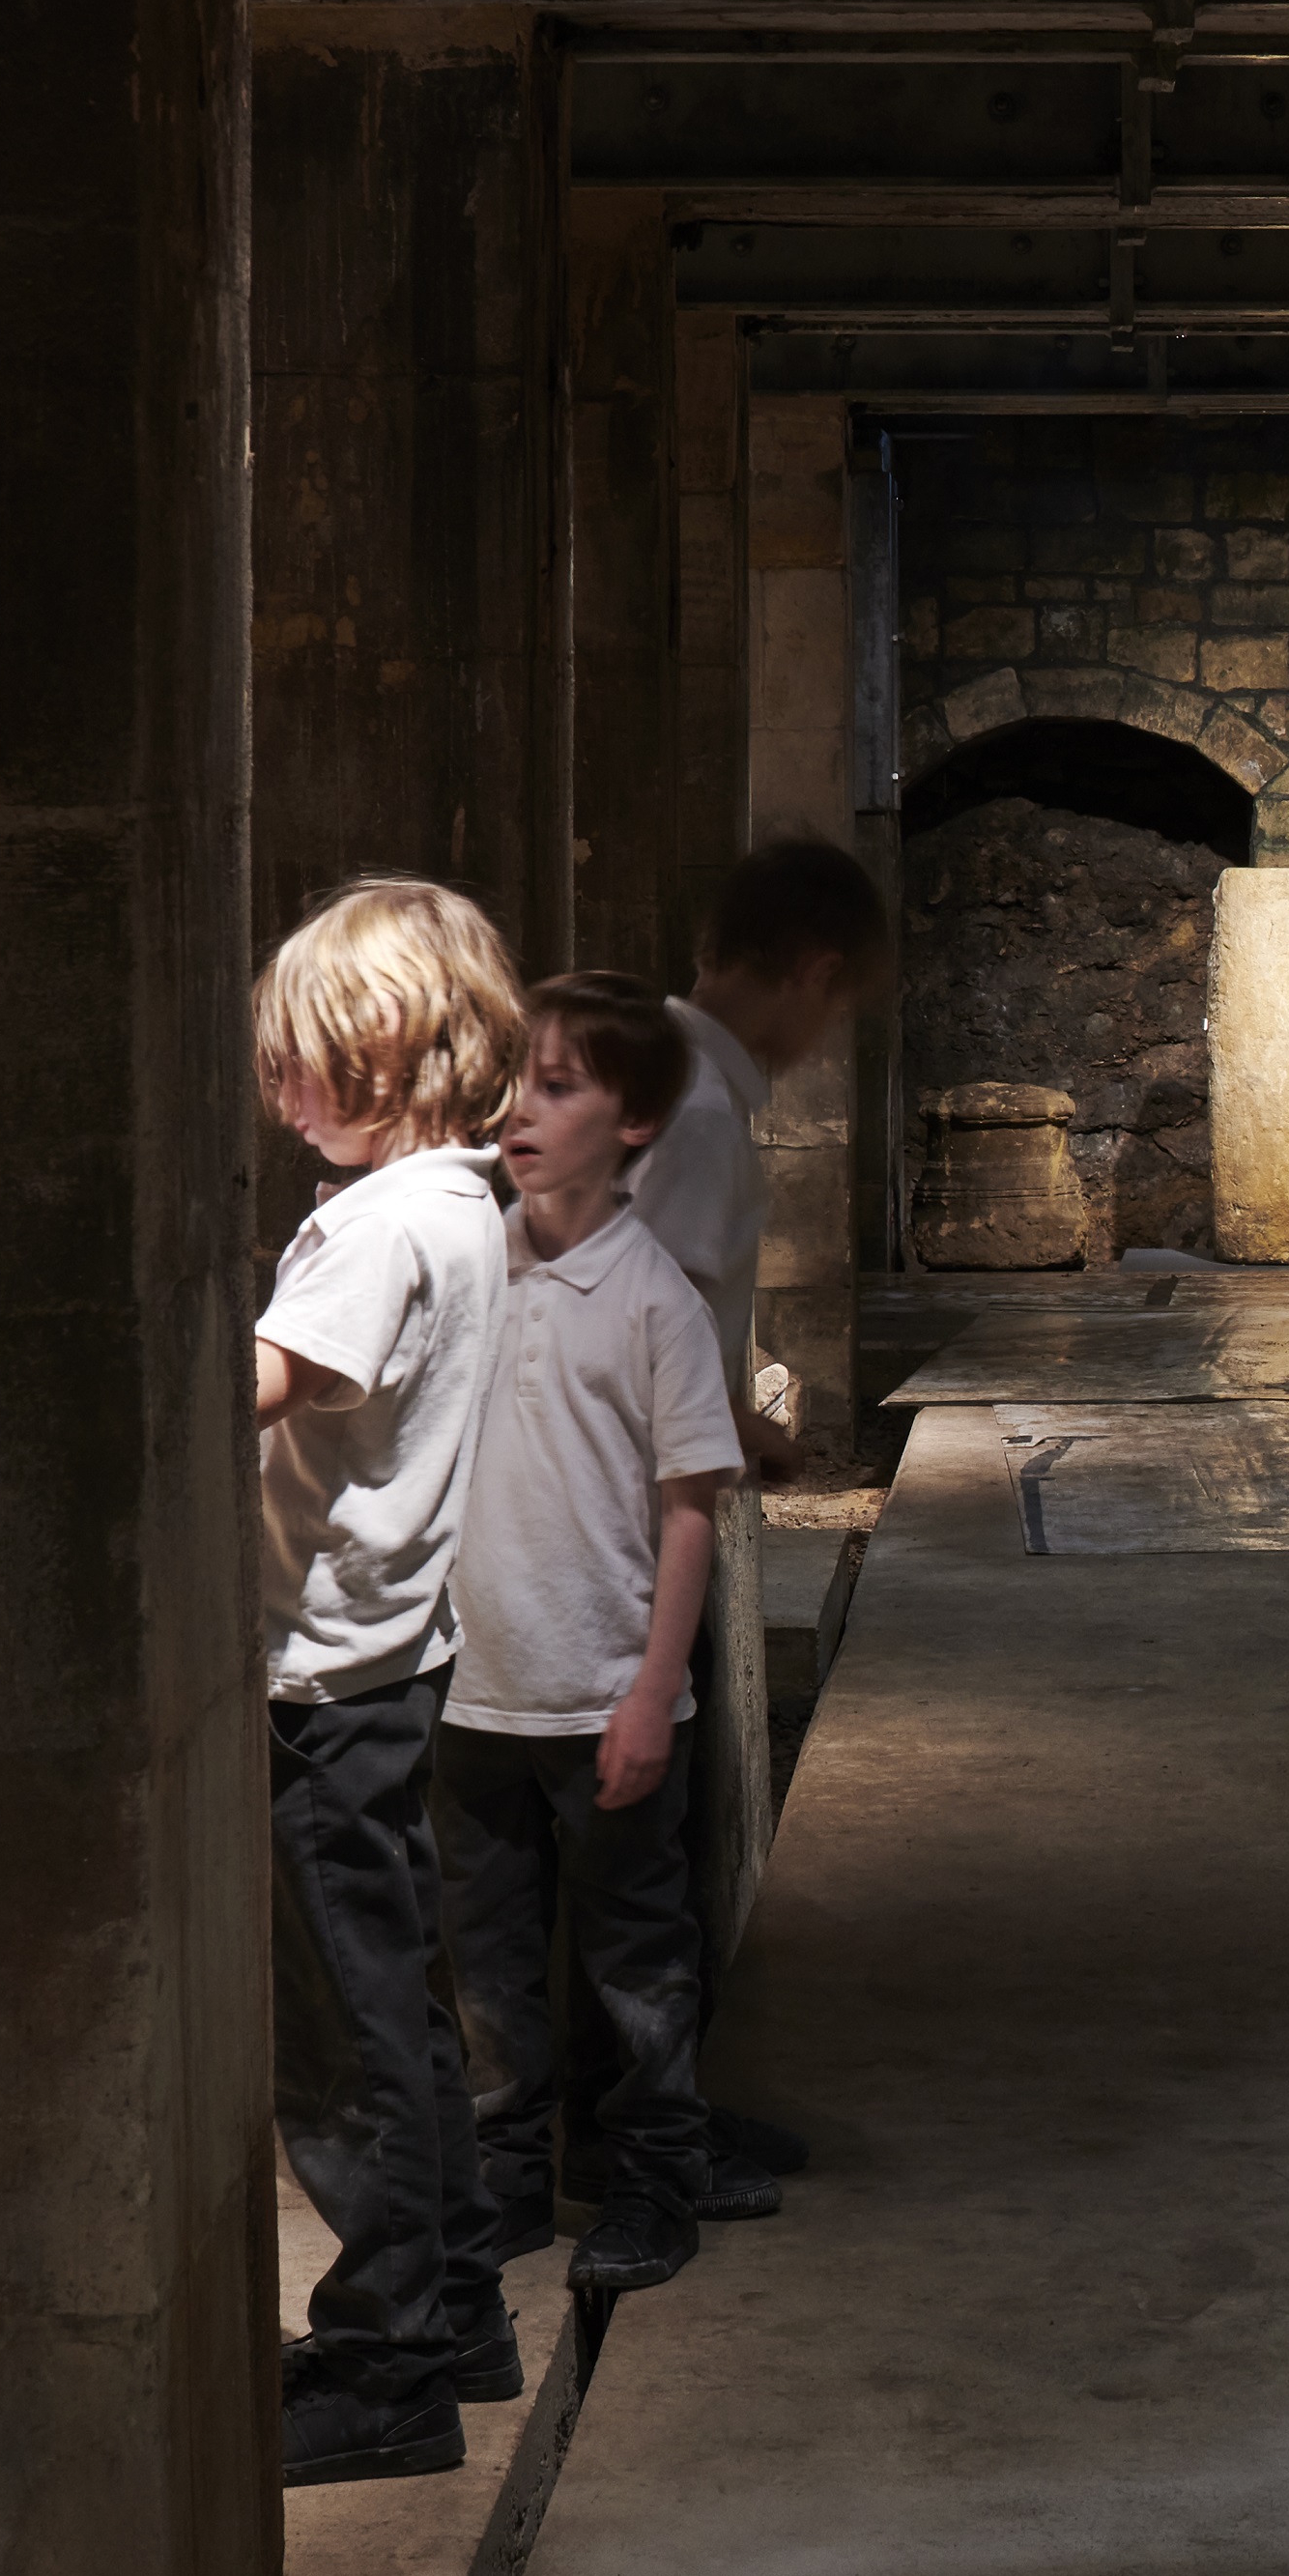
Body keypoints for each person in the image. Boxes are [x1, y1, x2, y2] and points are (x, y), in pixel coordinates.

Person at [249, 877, 526, 2487]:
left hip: (319, 1677)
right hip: (382, 1660)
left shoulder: (384, 1224)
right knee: (399, 2010)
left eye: (304, 1058)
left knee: (348, 2044)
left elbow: (261, 1379)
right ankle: (462, 2305)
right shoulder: (462, 1204)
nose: (280, 1085)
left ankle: (391, 2362)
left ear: (402, 1052)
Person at [439, 974, 748, 2310]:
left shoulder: (650, 1296)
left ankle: (653, 2182)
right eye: (516, 1079)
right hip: (474, 1696)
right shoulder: (463, 1264)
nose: (521, 1109)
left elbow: (691, 1513)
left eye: (560, 1085)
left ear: (634, 1122)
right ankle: (506, 2184)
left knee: (634, 1964)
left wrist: (652, 1691)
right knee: (488, 1971)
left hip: (603, 1690)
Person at [626, 834, 890, 2210]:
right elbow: (639, 1311)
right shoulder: (696, 1106)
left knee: (664, 1847)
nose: (822, 1035)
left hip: (660, 1499)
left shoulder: (687, 1086)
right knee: (640, 1858)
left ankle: (667, 2107)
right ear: (809, 971)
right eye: (834, 1009)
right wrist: (729, 1425)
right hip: (623, 1527)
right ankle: (642, 2131)